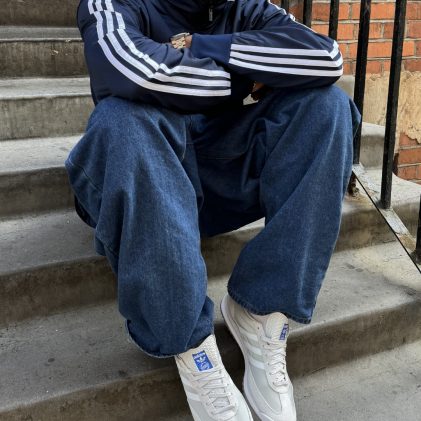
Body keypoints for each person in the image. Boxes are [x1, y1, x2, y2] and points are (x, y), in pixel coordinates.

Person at [66, 0, 361, 419]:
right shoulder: (113, 4)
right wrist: (250, 73)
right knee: (122, 120)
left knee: (327, 106)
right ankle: (192, 345)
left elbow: (325, 58)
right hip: (139, 180)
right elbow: (134, 71)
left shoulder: (248, 8)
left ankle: (260, 311)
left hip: (215, 174)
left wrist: (204, 46)